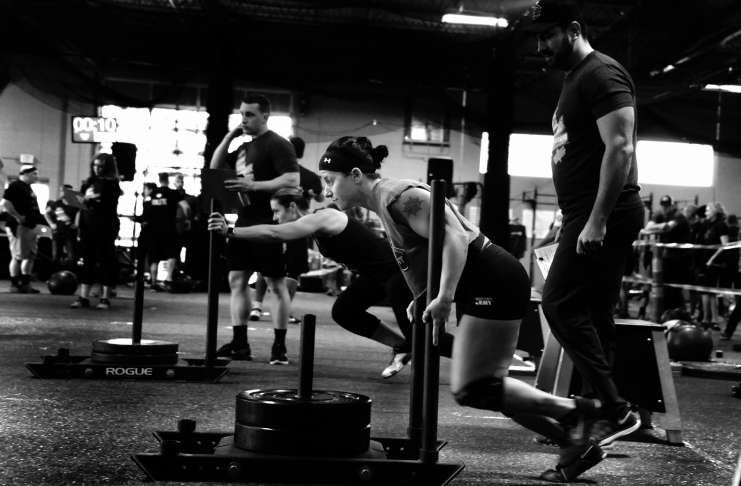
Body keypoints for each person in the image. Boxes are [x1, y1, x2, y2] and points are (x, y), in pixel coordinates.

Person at [318, 135, 603, 481]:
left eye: (330, 180)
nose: (327, 191)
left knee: (476, 387)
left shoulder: (401, 197)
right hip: (481, 282)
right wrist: (425, 295)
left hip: (492, 278)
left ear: (355, 175)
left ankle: (577, 412)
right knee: (482, 389)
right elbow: (431, 251)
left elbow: (454, 237)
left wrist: (444, 297)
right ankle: (574, 438)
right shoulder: (383, 202)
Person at [533, 0, 644, 457]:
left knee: (558, 304)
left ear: (574, 29)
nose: (542, 46)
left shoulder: (602, 73)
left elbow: (620, 147)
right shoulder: (575, 79)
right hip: (586, 213)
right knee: (594, 314)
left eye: (549, 36)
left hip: (606, 213)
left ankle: (615, 410)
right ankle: (598, 411)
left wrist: (596, 218)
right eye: (539, 38)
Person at [208, 187, 450, 377]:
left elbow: (274, 234)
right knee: (344, 311)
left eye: (277, 211)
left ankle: (471, 356)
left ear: (292, 206)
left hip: (400, 274)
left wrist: (231, 231)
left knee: (427, 340)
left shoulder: (324, 217)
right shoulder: (315, 228)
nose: (275, 217)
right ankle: (401, 345)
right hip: (375, 277)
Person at [209, 93, 300, 364]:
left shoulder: (278, 143)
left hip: (268, 221)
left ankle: (279, 348)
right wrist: (229, 137)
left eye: (249, 114)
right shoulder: (244, 147)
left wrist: (254, 186)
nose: (244, 119)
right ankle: (240, 344)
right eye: (241, 114)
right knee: (237, 280)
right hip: (243, 221)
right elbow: (214, 169)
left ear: (265, 116)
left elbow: (292, 179)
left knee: (275, 284)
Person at [249, 135, 322, 324]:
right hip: (290, 224)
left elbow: (319, 196)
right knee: (288, 267)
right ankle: (278, 308)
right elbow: (321, 198)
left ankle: (259, 306)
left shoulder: (280, 173)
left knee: (272, 264)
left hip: (291, 224)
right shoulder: (305, 175)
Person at [70, 153, 122, 309]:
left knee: (106, 261)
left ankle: (105, 298)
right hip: (87, 226)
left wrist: (89, 199)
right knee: (86, 261)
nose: (97, 169)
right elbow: (80, 203)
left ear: (107, 167)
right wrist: (84, 200)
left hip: (105, 227)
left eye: (101, 166)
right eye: (95, 165)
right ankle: (83, 297)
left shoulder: (112, 184)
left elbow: (108, 204)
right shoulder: (88, 182)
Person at [3, 163, 45, 293]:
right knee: (18, 256)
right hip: (19, 226)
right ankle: (15, 284)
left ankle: (25, 284)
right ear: (25, 174)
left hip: (30, 226)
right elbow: (5, 203)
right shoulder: (15, 185)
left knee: (30, 256)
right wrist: (17, 217)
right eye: (34, 174)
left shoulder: (28, 188)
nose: (36, 176)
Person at [44, 184, 79, 266]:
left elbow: (79, 213)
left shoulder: (75, 204)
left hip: (70, 233)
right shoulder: (56, 203)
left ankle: (70, 273)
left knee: (72, 256)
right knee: (56, 256)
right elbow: (46, 213)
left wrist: (76, 224)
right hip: (58, 233)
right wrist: (51, 224)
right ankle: (55, 273)